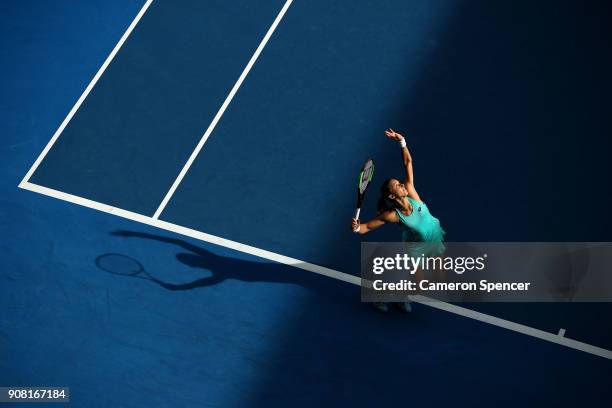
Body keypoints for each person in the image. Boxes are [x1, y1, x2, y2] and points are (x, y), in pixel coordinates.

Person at [351, 129, 446, 313]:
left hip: (434, 240)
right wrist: (356, 228)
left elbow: (408, 162)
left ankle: (400, 295)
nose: (401, 184)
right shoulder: (393, 215)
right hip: (417, 248)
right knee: (420, 286)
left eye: (399, 182)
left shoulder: (411, 191)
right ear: (392, 195)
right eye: (396, 185)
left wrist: (402, 141)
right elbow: (366, 228)